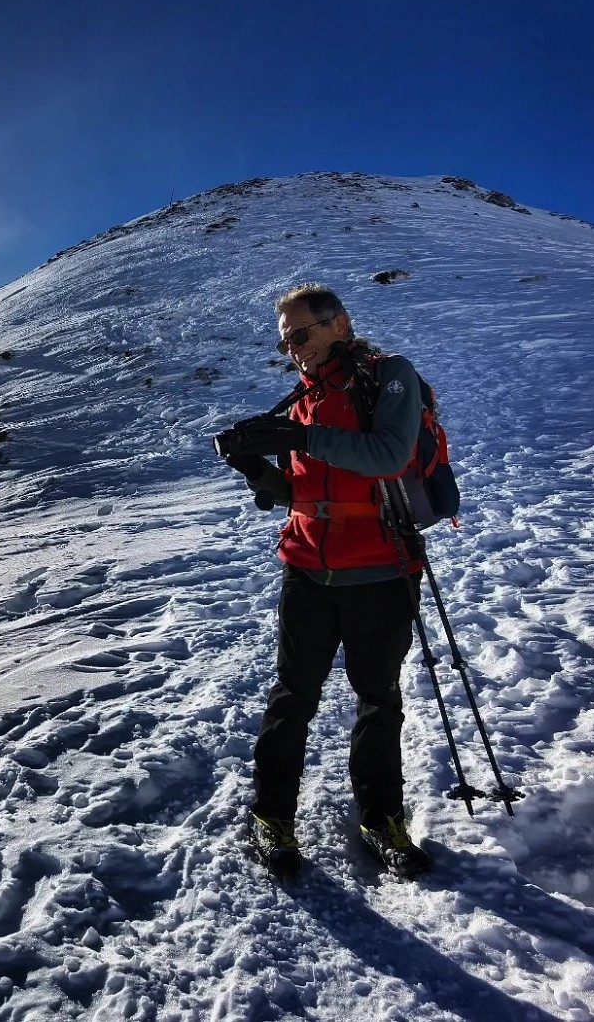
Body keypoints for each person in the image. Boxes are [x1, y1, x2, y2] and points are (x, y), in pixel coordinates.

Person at [218, 283, 433, 879]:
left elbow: (389, 454)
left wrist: (300, 437)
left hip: (382, 567)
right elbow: (298, 494)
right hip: (308, 566)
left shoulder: (389, 375)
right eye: (286, 341)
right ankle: (272, 816)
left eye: (302, 334)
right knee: (293, 696)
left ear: (338, 323)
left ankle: (382, 816)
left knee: (377, 697)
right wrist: (258, 469)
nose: (294, 348)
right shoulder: (302, 399)